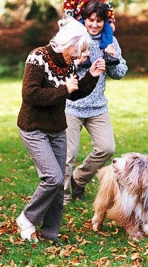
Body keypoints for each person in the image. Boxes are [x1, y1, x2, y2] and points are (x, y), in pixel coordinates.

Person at [16, 18, 106, 242]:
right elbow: (30, 94)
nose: (80, 56)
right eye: (78, 50)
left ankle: (50, 233)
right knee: (53, 178)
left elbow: (73, 93)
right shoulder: (38, 57)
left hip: (57, 128)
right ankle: (27, 218)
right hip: (33, 127)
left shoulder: (69, 63)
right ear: (68, 43)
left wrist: (91, 76)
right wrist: (62, 88)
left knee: (60, 181)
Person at [64, 0, 128, 203]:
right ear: (84, 19)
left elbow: (120, 74)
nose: (94, 25)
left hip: (97, 106)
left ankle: (79, 180)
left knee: (106, 148)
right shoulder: (74, 37)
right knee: (68, 155)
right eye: (90, 20)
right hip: (72, 105)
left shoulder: (109, 40)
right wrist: (77, 63)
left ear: (104, 22)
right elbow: (60, 70)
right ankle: (63, 197)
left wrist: (113, 58)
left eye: (99, 21)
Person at [62, 0, 118, 65]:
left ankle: (107, 51)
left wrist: (110, 21)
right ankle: (84, 54)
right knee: (81, 33)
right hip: (80, 19)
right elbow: (68, 8)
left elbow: (107, 6)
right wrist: (68, 20)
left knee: (108, 30)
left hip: (98, 17)